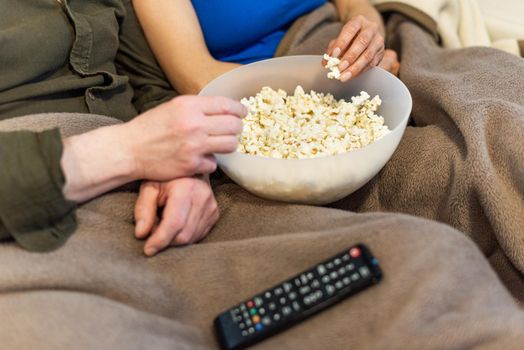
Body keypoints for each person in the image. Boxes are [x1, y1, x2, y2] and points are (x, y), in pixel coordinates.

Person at [0, 0, 245, 256]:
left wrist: (185, 167)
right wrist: (130, 150)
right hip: (29, 200)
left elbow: (150, 87)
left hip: (148, 189)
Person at [132, 0, 401, 95]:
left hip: (335, 48)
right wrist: (328, 79)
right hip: (266, 91)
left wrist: (367, 36)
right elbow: (197, 78)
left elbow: (355, 6)